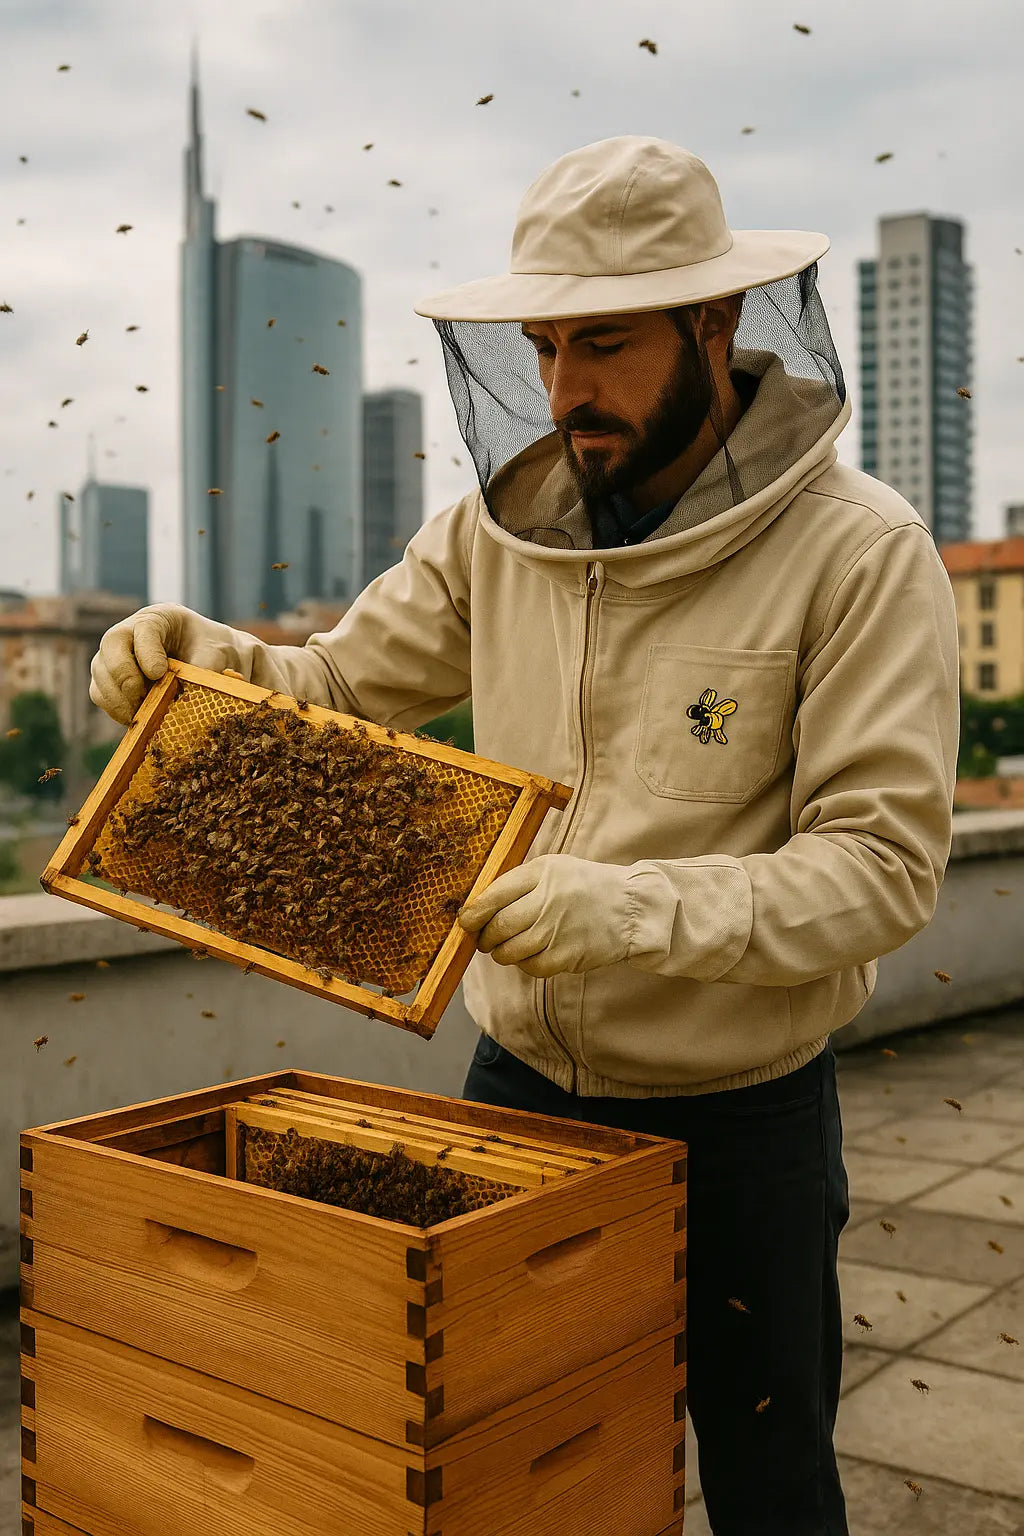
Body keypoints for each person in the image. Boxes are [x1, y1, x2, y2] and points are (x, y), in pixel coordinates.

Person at [89, 137, 960, 1535]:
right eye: (545, 347)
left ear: (716, 326)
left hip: (742, 1117)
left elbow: (883, 864)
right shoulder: (503, 529)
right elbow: (335, 688)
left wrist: (634, 912)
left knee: (771, 1481)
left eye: (602, 345)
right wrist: (212, 666)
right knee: (512, 1472)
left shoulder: (861, 553)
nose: (564, 392)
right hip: (519, 1089)